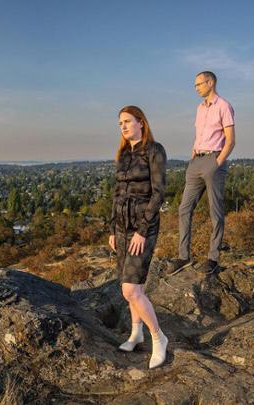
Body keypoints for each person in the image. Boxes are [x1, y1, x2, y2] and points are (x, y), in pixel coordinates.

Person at [109, 105, 168, 369]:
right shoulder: (123, 154)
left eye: (127, 121)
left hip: (143, 228)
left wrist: (143, 231)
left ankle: (159, 337)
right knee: (134, 289)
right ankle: (136, 333)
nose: (123, 126)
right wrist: (113, 229)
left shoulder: (154, 150)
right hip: (121, 228)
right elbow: (117, 193)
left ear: (141, 123)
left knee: (130, 289)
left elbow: (158, 193)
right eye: (120, 122)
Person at [168, 71, 235, 275]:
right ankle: (183, 257)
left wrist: (217, 162)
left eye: (199, 84)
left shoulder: (224, 106)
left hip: (213, 161)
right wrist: (193, 155)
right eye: (195, 84)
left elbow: (230, 140)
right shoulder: (199, 108)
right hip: (196, 161)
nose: (196, 87)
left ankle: (213, 259)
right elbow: (199, 135)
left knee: (215, 211)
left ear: (210, 82)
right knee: (184, 208)